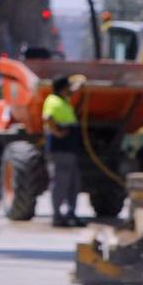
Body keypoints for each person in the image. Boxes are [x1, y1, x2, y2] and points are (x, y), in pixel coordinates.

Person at [41, 72, 85, 226]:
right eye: (67, 87)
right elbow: (47, 119)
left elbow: (72, 92)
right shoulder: (53, 101)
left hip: (70, 149)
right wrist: (57, 133)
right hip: (60, 149)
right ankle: (57, 215)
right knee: (61, 183)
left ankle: (71, 213)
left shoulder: (63, 100)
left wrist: (79, 83)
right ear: (61, 88)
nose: (69, 90)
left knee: (73, 183)